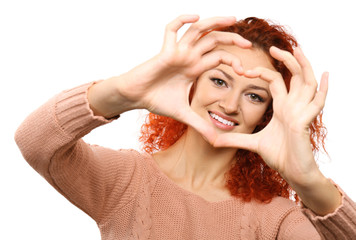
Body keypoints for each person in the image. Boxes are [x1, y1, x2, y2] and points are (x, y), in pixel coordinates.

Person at [15, 15, 356, 239]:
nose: (230, 105)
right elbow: (35, 141)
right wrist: (122, 92)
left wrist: (307, 179)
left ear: (269, 114)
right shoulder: (127, 179)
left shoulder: (275, 219)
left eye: (254, 96)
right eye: (219, 81)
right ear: (190, 82)